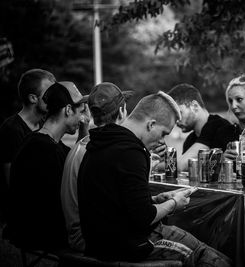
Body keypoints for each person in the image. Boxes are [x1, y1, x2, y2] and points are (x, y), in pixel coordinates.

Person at [77, 91, 232, 266]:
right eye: (164, 133)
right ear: (151, 124)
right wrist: (174, 204)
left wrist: (155, 199)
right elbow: (145, 217)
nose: (162, 141)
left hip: (99, 242)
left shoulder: (100, 142)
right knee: (209, 257)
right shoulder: (131, 152)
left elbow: (114, 201)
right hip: (131, 245)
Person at [5, 81, 89, 251]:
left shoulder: (46, 142)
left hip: (40, 228)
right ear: (67, 110)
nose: (82, 118)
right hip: (39, 233)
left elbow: (78, 160)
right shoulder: (43, 150)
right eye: (81, 112)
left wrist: (84, 127)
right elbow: (65, 201)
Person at [61, 82, 133, 252]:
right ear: (122, 112)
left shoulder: (84, 145)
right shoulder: (104, 152)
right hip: (88, 239)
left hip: (75, 232)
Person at [0, 69, 56, 214]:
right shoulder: (11, 129)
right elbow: (12, 182)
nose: (55, 97)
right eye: (49, 93)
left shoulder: (45, 125)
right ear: (33, 98)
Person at [167, 83, 231, 171]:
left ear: (195, 106)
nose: (176, 121)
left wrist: (153, 164)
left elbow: (181, 165)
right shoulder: (190, 140)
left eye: (179, 113)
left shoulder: (218, 125)